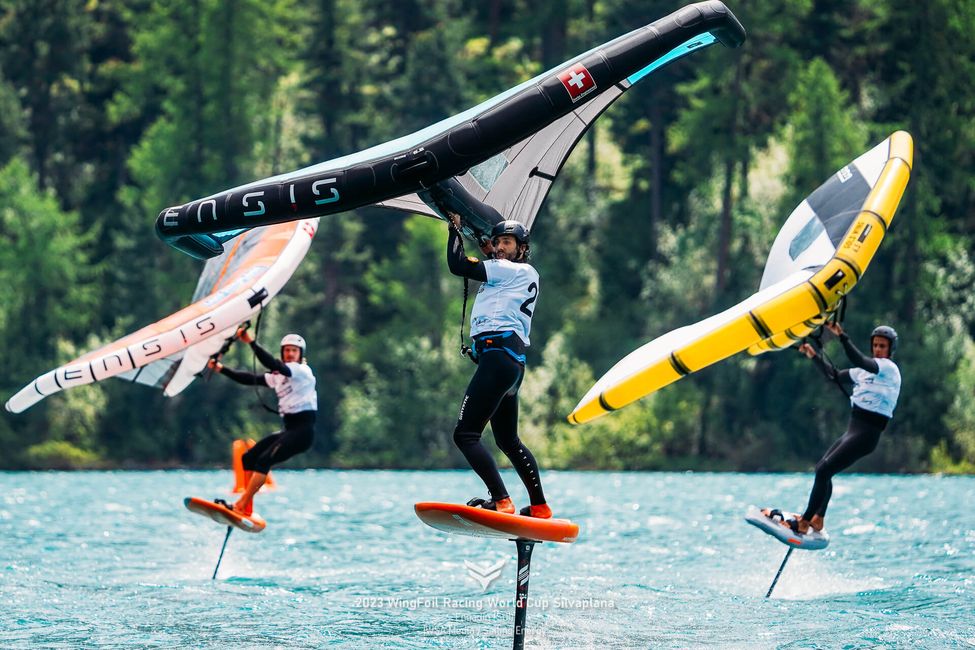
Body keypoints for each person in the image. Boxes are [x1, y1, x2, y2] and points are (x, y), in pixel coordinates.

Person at [445, 212, 552, 519]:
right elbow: (486, 264)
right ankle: (540, 506)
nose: (501, 247)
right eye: (498, 242)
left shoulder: (508, 270)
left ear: (522, 249)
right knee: (507, 440)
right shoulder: (518, 275)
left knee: (465, 435)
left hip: (498, 360)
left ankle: (501, 500)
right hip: (511, 365)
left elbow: (458, 266)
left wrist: (453, 230)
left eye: (508, 242)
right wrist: (487, 248)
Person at [764, 322, 901, 535]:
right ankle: (817, 519)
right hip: (853, 430)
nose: (878, 350)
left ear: (891, 350)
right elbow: (834, 376)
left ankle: (804, 521)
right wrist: (813, 355)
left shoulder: (888, 369)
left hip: (867, 434)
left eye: (882, 346)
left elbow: (858, 359)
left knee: (823, 471)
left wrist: (842, 336)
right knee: (823, 470)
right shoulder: (862, 372)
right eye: (875, 345)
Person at [207, 328, 317, 514]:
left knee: (264, 461)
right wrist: (222, 369)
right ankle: (245, 509)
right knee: (248, 458)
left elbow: (273, 364)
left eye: (294, 351)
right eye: (287, 350)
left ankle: (241, 504)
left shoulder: (301, 371)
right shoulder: (279, 376)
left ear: (300, 355)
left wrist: (250, 342)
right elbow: (251, 379)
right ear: (283, 352)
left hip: (303, 432)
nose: (290, 354)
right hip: (289, 430)